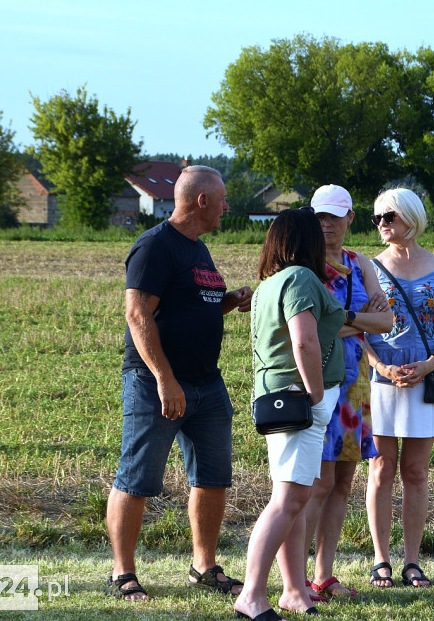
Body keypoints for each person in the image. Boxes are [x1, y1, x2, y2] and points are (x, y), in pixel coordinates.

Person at [106, 166, 253, 602]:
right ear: (202, 200)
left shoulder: (199, 249)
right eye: (222, 200)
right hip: (157, 383)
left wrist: (229, 302)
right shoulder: (154, 246)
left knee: (212, 477)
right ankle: (121, 574)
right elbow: (138, 316)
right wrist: (165, 380)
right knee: (137, 477)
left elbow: (192, 306)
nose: (227, 207)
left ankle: (204, 568)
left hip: (207, 383)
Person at [234, 208, 345, 621]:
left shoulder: (268, 285)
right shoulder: (300, 278)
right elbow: (304, 342)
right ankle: (252, 594)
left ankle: (294, 590)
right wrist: (316, 391)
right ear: (305, 241)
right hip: (300, 400)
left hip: (277, 398)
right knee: (289, 499)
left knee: (292, 496)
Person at [365, 188, 434, 589]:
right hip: (382, 378)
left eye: (390, 216)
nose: (383, 224)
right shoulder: (369, 267)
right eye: (377, 218)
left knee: (417, 472)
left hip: (426, 377)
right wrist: (380, 366)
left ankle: (412, 562)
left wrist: (430, 362)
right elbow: (359, 329)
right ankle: (381, 561)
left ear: (411, 217)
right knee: (381, 469)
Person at [302, 185, 393, 601]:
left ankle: (324, 575)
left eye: (334, 217)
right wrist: (363, 319)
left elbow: (387, 321)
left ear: (351, 218)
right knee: (316, 485)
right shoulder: (305, 266)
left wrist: (350, 319)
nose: (327, 225)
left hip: (356, 387)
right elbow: (318, 330)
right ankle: (297, 576)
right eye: (320, 216)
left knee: (342, 483)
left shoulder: (361, 265)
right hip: (322, 382)